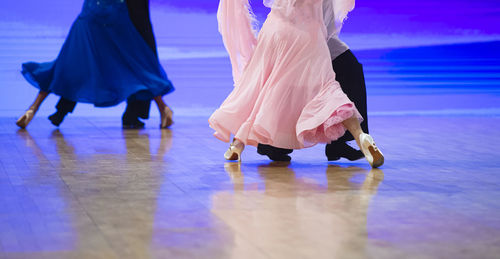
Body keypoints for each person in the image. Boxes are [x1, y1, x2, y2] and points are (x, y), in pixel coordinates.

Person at [209, 0, 384, 167]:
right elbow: (328, 22)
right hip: (309, 36)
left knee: (260, 87)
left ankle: (237, 145)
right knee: (327, 89)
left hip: (276, 32)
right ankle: (361, 136)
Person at [16, 0, 174, 130]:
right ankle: (163, 108)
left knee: (69, 63)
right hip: (114, 14)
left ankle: (33, 108)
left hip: (92, 14)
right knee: (133, 63)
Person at [257, 35, 369, 162]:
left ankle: (275, 144)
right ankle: (274, 144)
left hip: (309, 34)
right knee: (295, 84)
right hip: (306, 36)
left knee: (346, 69)